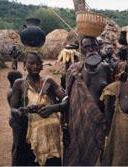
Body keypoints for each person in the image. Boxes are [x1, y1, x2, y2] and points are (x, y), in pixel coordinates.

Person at [39, 36, 113, 165]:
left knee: (97, 158)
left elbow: (110, 97)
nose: (90, 49)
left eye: (93, 46)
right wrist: (64, 124)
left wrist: (108, 124)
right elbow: (67, 99)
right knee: (76, 156)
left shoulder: (106, 69)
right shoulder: (74, 70)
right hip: (76, 122)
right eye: (86, 47)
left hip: (97, 122)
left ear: (98, 47)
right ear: (81, 50)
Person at [10, 52, 66, 166]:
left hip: (50, 137)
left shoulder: (48, 82)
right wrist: (24, 110)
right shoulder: (19, 84)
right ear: (24, 65)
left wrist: (53, 108)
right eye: (31, 63)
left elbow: (66, 99)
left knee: (51, 162)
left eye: (38, 63)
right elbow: (13, 110)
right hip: (30, 137)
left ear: (42, 65)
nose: (35, 66)